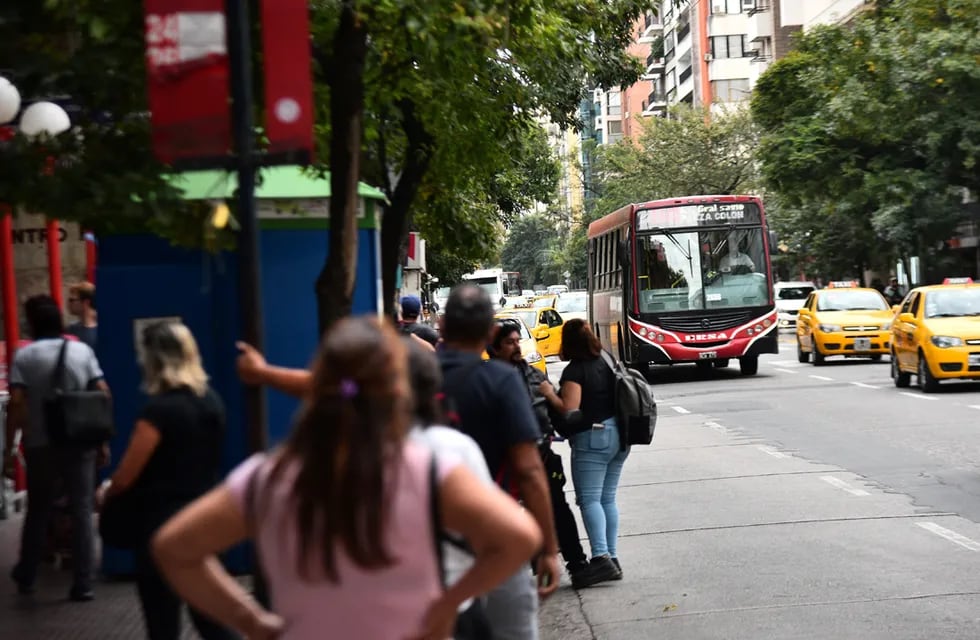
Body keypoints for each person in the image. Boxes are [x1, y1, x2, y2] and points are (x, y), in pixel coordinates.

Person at [151, 316, 542, 640]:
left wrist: (252, 621)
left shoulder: (267, 477)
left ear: (316, 386)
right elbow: (519, 537)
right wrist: (444, 607)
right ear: (398, 393)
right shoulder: (425, 470)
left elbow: (174, 548)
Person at [95, 321, 234, 640]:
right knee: (211, 619)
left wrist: (107, 491)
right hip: (207, 519)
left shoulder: (158, 411)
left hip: (162, 526)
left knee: (162, 622)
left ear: (154, 361)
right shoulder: (212, 401)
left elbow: (127, 475)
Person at [438, 284, 559, 640]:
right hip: (495, 534)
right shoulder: (501, 381)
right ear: (491, 332)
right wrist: (548, 550)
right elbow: (529, 469)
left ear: (442, 326)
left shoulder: (415, 376)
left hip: (426, 539)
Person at [6, 295, 109, 601]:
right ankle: (83, 583)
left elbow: (17, 402)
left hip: (41, 444)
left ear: (33, 323)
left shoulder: (24, 356)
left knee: (38, 509)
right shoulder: (81, 350)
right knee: (81, 510)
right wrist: (102, 440)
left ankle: (27, 573)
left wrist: (11, 444)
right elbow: (102, 392)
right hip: (80, 442)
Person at [486, 319, 589, 582]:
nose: (516, 347)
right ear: (494, 348)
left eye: (518, 341)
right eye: (509, 342)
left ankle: (576, 563)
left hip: (541, 455)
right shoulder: (485, 380)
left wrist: (575, 423)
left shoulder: (535, 376)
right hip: (499, 463)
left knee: (558, 508)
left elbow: (559, 415)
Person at [539, 319, 629, 588]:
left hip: (593, 438)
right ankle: (611, 557)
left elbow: (569, 408)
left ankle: (601, 557)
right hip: (619, 434)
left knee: (589, 500)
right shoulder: (606, 359)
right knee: (607, 499)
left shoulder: (576, 370)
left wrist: (548, 392)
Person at [66, 281, 98, 351]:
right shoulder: (71, 329)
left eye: (72, 300)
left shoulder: (104, 331)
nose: (68, 303)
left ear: (86, 303)